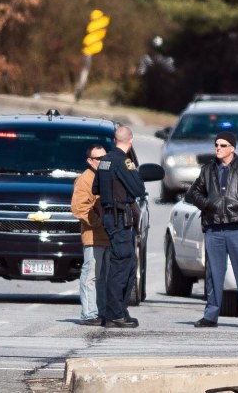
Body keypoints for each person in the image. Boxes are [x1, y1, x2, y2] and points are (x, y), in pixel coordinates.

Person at [188, 131, 238, 328]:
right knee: (213, 274)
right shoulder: (207, 170)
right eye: (216, 144)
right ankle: (211, 315)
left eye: (223, 145)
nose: (218, 148)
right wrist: (208, 204)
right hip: (214, 229)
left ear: (232, 148)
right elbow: (194, 192)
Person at [93, 125, 146, 328]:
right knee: (121, 265)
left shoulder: (105, 161)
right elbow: (138, 189)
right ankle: (114, 314)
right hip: (119, 217)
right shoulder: (123, 162)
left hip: (111, 215)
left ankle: (119, 310)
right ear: (130, 142)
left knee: (129, 263)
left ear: (114, 140)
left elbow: (96, 188)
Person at [71, 144, 110, 326]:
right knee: (91, 275)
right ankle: (89, 313)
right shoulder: (85, 179)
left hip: (109, 237)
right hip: (93, 236)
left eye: (105, 158)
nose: (103, 162)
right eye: (98, 159)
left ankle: (102, 311)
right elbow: (79, 208)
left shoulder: (108, 176)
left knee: (105, 277)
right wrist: (101, 222)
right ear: (90, 161)